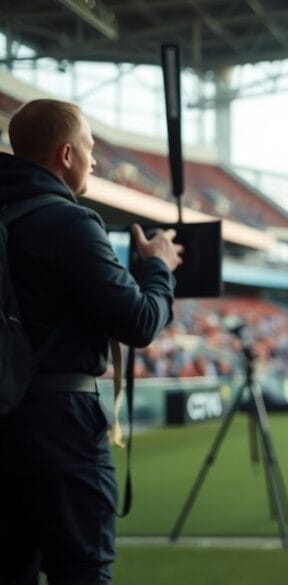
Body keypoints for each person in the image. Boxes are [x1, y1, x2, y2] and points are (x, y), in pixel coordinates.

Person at [0, 99, 182, 584]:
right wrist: (159, 268)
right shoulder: (70, 221)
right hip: (60, 426)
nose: (94, 160)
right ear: (65, 155)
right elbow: (140, 322)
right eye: (89, 148)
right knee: (81, 571)